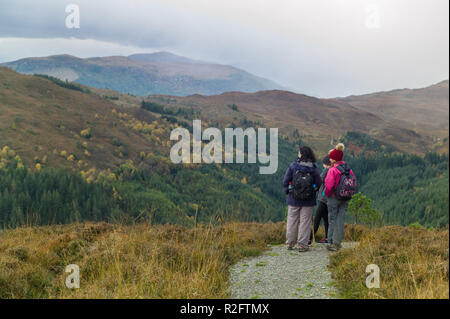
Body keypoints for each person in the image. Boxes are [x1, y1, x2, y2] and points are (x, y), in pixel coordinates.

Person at [283, 146, 322, 252]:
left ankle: (290, 243)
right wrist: (314, 190)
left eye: (299, 153)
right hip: (308, 200)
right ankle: (302, 245)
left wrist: (288, 191)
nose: (298, 154)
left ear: (301, 154)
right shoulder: (313, 168)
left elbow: (286, 180)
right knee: (305, 222)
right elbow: (319, 182)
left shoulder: (293, 166)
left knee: (292, 220)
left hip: (293, 198)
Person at [324, 143, 357, 251]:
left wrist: (326, 194)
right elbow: (354, 184)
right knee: (341, 219)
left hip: (334, 198)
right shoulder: (349, 169)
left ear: (334, 159)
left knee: (332, 219)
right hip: (346, 197)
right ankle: (337, 243)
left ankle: (330, 242)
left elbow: (328, 186)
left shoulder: (333, 170)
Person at [309, 155, 332, 244]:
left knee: (317, 218)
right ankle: (327, 237)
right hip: (329, 198)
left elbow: (319, 181)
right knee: (325, 218)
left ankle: (310, 238)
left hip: (323, 198)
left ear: (326, 164)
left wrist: (313, 187)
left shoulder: (326, 171)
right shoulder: (333, 170)